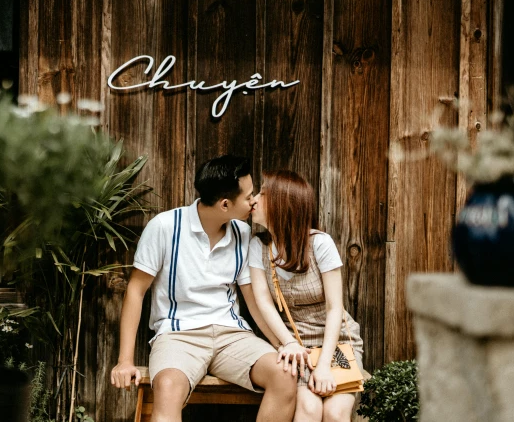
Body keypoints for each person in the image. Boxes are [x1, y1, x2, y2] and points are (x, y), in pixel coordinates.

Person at [110, 155, 298, 422]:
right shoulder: (164, 227)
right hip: (177, 336)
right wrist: (124, 360)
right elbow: (135, 291)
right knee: (167, 388)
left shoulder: (243, 234)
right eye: (248, 196)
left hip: (232, 336)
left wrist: (283, 344)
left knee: (285, 375)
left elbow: (253, 301)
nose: (254, 201)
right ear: (224, 204)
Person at [248, 170, 363, 422]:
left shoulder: (320, 243)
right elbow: (264, 303)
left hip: (337, 341)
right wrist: (288, 343)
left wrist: (323, 366)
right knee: (309, 411)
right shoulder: (258, 247)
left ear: (283, 202)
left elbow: (335, 308)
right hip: (295, 344)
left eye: (262, 194)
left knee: (335, 413)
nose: (253, 199)